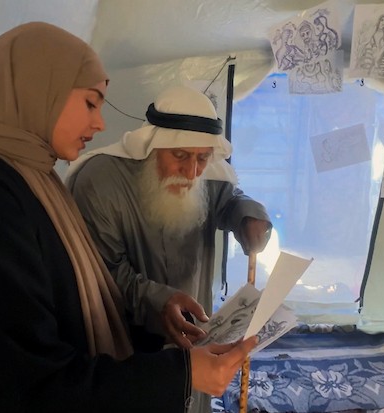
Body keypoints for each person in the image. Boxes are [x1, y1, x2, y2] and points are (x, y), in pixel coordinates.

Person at [0, 22, 257, 413]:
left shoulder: (36, 181)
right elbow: (25, 388)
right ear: (39, 91)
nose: (101, 123)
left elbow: (71, 312)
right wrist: (180, 374)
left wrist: (159, 308)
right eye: (90, 103)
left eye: (202, 159)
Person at [66, 85, 270, 413]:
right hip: (126, 348)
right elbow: (101, 272)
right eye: (180, 156)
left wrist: (247, 215)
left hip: (194, 336)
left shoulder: (206, 175)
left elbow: (230, 198)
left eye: (202, 158)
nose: (191, 173)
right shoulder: (100, 181)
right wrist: (159, 302)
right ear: (155, 145)